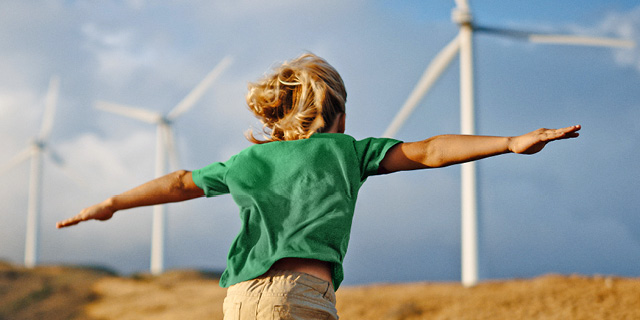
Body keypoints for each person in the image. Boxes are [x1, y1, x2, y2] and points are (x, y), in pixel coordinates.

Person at [57, 53, 581, 319]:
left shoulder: (245, 161)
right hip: (300, 295)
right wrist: (510, 141)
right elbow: (430, 150)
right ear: (340, 112)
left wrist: (111, 203)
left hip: (239, 300)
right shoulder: (345, 151)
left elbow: (177, 182)